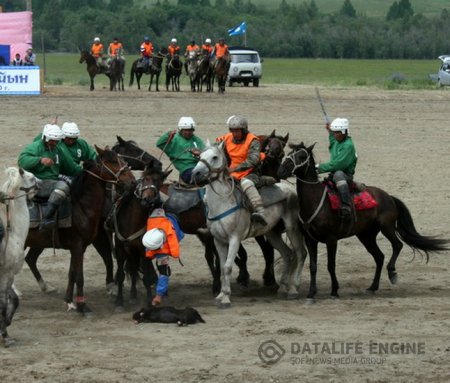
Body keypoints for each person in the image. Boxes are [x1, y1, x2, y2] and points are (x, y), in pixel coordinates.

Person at [18, 124, 82, 230]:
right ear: (45, 138)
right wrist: (40, 160)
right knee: (63, 187)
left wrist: (85, 172)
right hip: (36, 181)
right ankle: (47, 219)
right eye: (52, 141)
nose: (54, 143)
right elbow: (22, 161)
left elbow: (70, 167)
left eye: (56, 141)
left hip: (51, 181)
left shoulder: (58, 149)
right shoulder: (35, 147)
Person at [216, 116, 267, 225]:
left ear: (244, 130)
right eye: (233, 131)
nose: (235, 133)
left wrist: (234, 169)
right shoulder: (227, 137)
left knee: (246, 183)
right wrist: (202, 151)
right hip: (233, 171)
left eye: (237, 131)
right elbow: (216, 146)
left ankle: (260, 212)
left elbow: (252, 160)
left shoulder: (253, 140)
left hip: (252, 171)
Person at [316, 117, 357, 218]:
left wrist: (318, 168)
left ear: (344, 132)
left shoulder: (348, 146)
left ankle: (346, 205)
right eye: (334, 132)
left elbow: (337, 165)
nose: (335, 135)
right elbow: (332, 140)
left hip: (344, 176)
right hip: (332, 176)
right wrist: (329, 130)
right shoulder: (337, 141)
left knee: (338, 174)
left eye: (337, 132)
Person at [142, 207, 184, 306]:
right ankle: (159, 294)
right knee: (164, 270)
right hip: (161, 243)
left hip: (160, 242)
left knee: (163, 270)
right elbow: (175, 240)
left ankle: (159, 295)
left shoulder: (151, 226)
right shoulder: (155, 237)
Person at [156, 117, 205, 185]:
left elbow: (206, 153)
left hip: (200, 166)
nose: (188, 132)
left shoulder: (197, 140)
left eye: (190, 130)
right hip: (186, 169)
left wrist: (200, 153)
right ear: (181, 130)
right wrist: (167, 135)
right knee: (201, 177)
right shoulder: (174, 140)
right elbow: (159, 144)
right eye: (185, 130)